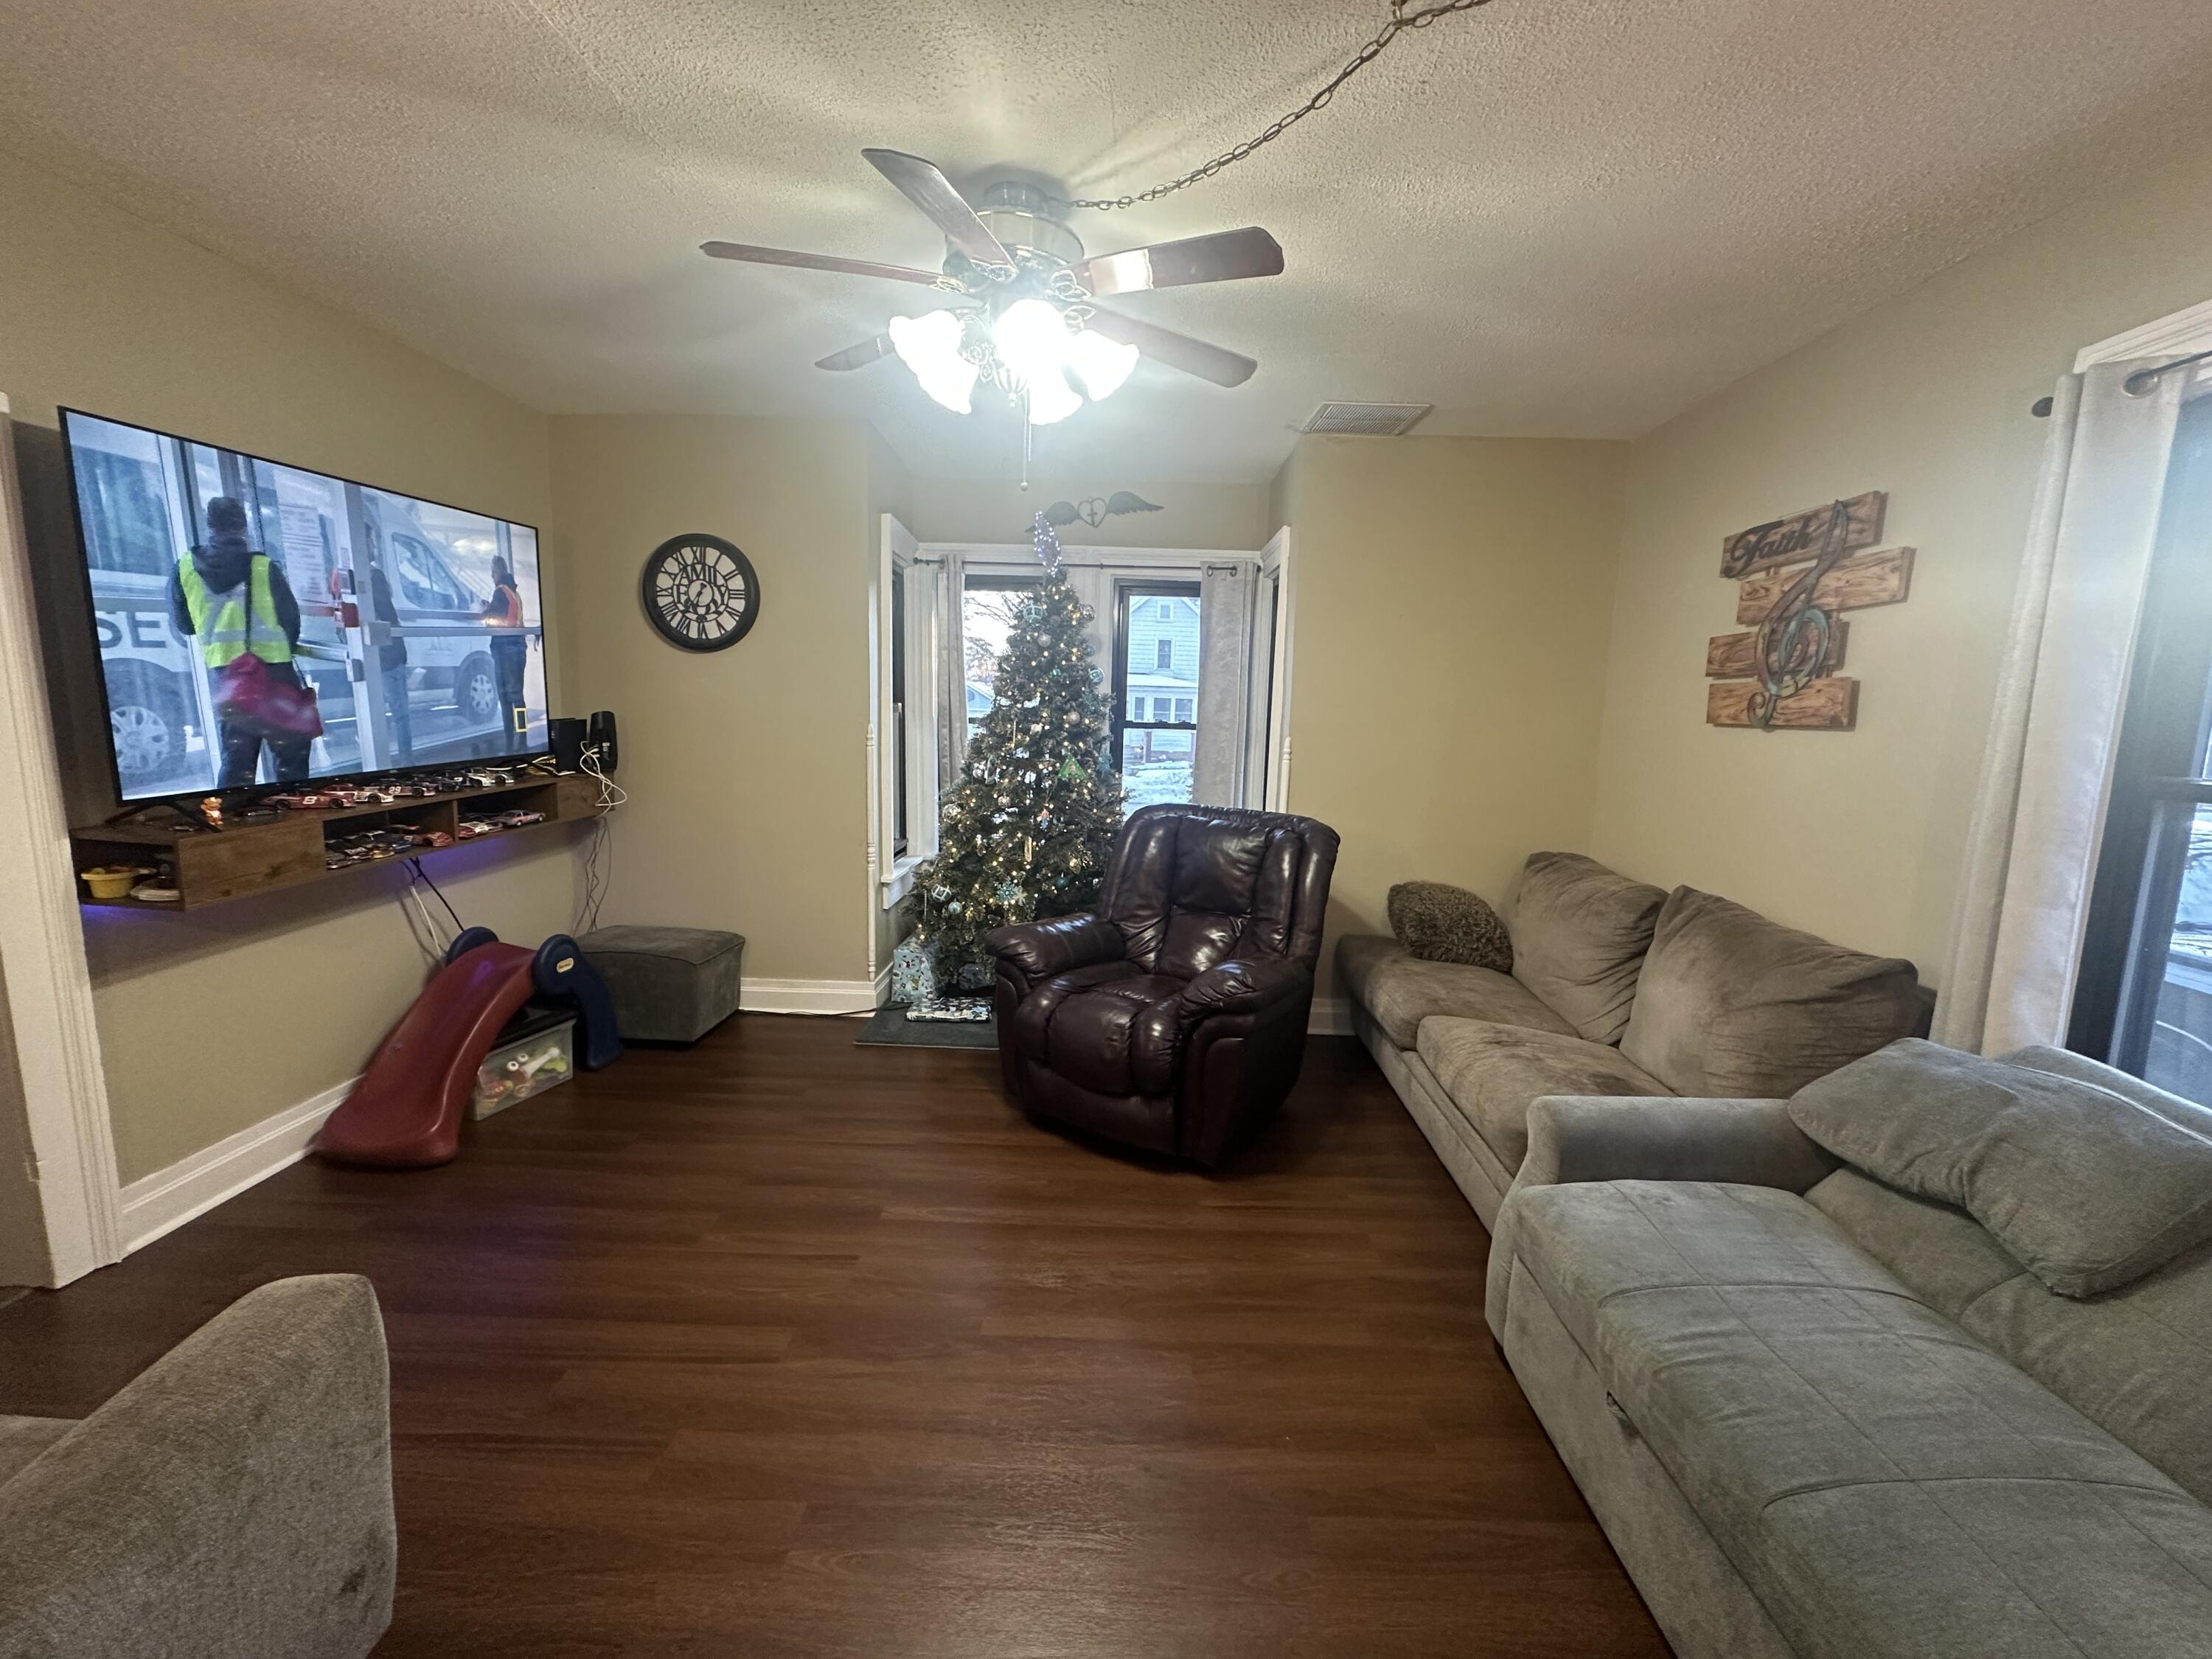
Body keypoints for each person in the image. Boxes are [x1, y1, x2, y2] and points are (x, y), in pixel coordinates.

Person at [167, 495, 313, 787]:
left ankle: (235, 822)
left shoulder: (184, 568)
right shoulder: (263, 567)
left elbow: (184, 624)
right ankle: (293, 820)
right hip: (276, 673)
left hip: (228, 677)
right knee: (291, 756)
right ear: (242, 526)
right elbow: (290, 621)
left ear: (209, 524)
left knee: (238, 761)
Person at [482, 554, 528, 743]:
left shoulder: (500, 592)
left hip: (504, 649)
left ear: (496, 572)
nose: (492, 577)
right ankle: (522, 736)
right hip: (518, 647)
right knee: (518, 697)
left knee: (506, 696)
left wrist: (486, 611)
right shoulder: (514, 592)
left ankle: (510, 737)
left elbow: (495, 621)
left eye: (492, 573)